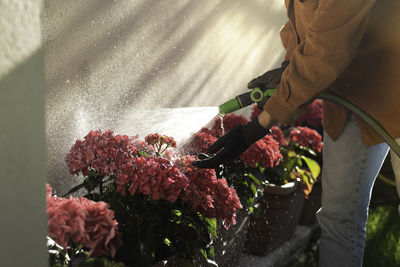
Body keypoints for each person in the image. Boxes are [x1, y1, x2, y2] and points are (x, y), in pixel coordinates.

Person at [193, 0, 400, 266]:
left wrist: (257, 127)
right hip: (354, 97)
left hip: (390, 84)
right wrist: (288, 67)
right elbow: (302, 25)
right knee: (339, 217)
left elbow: (324, 54)